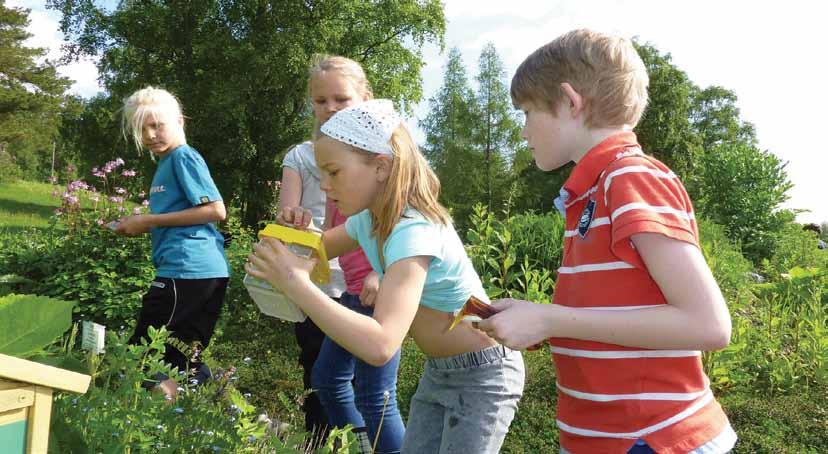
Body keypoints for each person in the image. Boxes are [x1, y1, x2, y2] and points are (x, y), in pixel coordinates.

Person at [476, 29, 737, 453]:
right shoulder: (593, 190)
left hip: (651, 438)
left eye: (526, 113)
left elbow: (707, 325)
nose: (523, 132)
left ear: (570, 101)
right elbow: (618, 311)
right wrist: (537, 319)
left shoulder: (631, 178)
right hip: (612, 438)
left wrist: (552, 319)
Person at [247, 99, 525, 453]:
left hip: (484, 376)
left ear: (380, 167)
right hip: (439, 372)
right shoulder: (369, 221)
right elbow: (315, 252)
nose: (326, 187)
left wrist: (295, 283)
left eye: (334, 172)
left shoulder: (413, 230)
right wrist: (292, 238)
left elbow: (380, 344)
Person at [279, 55, 404, 452]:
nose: (330, 108)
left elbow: (405, 222)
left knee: (374, 394)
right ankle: (362, 446)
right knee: (327, 379)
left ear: (365, 98)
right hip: (349, 288)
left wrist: (382, 272)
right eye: (320, 101)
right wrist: (295, 253)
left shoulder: (379, 160)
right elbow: (340, 232)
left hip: (377, 289)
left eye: (341, 99)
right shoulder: (326, 156)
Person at [117, 86, 229, 399]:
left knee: (146, 351)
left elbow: (215, 210)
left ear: (180, 121)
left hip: (188, 270)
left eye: (157, 125)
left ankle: (144, 425)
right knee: (183, 355)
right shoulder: (167, 163)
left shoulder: (184, 157)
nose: (150, 134)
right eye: (142, 129)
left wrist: (149, 221)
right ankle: (230, 413)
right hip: (194, 270)